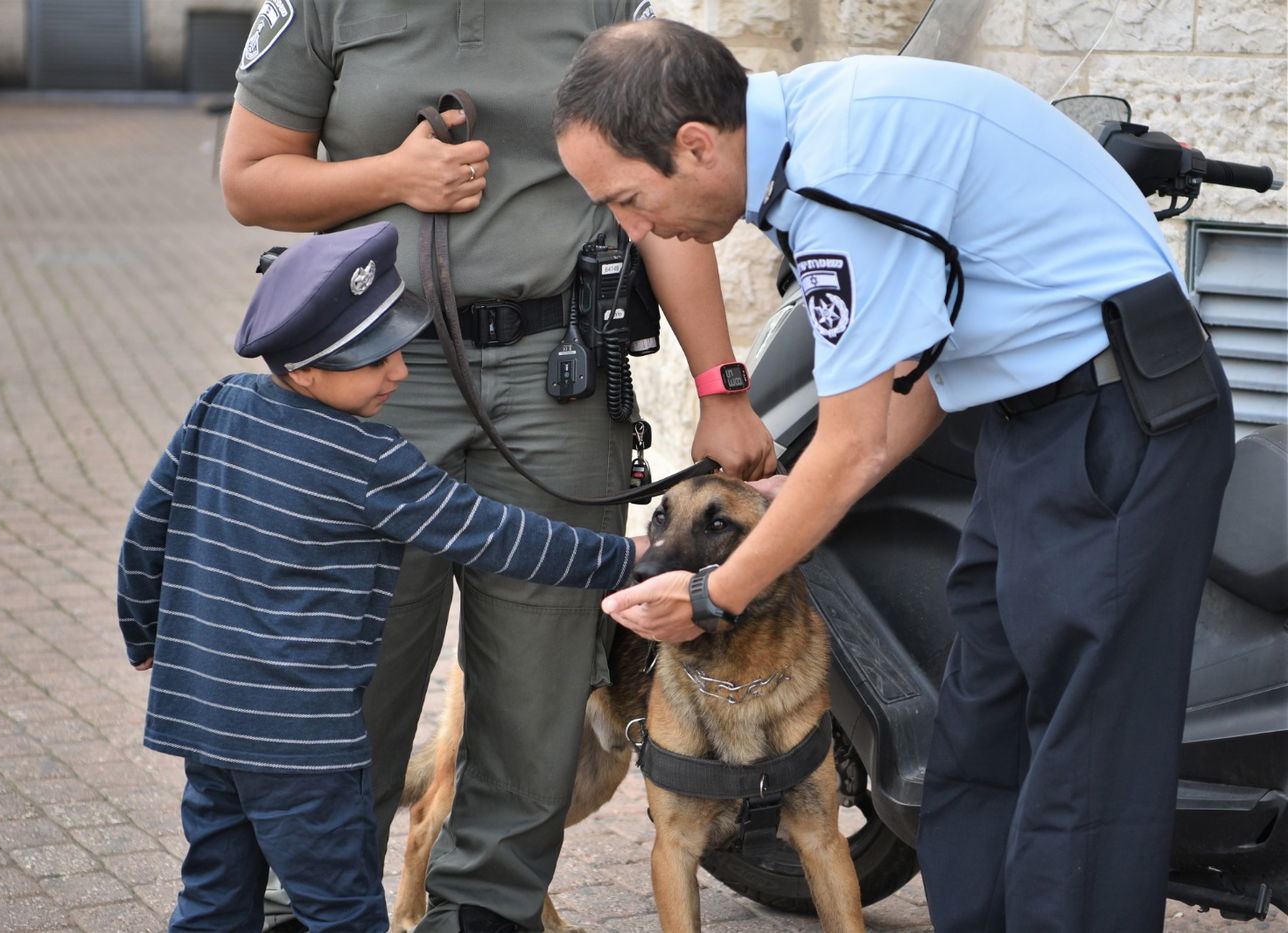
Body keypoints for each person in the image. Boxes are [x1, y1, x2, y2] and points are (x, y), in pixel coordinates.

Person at [553, 18, 1235, 933]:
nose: (636, 230)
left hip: (1116, 425)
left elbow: (857, 444)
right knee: (978, 735)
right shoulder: (810, 139)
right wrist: (796, 485)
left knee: (1086, 766)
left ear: (697, 144)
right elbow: (917, 364)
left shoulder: (839, 180)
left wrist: (715, 595)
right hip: (1027, 420)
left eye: (631, 200)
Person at [219, 3, 776, 931]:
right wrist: (393, 176)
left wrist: (720, 384)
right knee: (355, 664)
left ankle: (486, 910)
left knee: (539, 684)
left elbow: (655, 206)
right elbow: (248, 178)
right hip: (376, 379)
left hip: (557, 373)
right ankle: (308, 904)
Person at [116, 223, 644, 933]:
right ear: (307, 370)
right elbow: (496, 535)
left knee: (214, 895)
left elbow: (147, 528)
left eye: (399, 348)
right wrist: (624, 558)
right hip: (305, 744)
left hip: (208, 721)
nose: (399, 371)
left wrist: (142, 631)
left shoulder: (218, 407)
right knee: (342, 908)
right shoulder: (370, 458)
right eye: (375, 359)